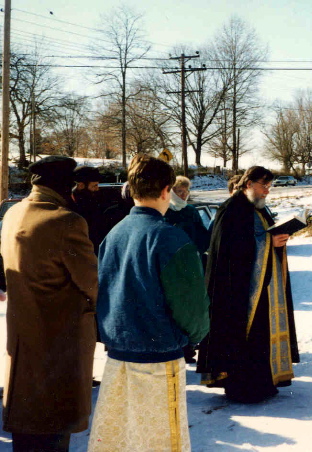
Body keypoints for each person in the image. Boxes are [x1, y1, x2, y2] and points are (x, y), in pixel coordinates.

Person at [88, 154, 209, 451]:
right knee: (160, 439)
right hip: (158, 358)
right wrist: (195, 335)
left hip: (117, 356)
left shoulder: (114, 234)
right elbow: (192, 309)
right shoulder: (170, 238)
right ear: (167, 190)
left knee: (121, 437)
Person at [1, 156, 97, 451]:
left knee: (27, 432)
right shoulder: (66, 221)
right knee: (54, 432)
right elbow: (91, 283)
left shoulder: (13, 214)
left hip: (23, 338)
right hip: (59, 344)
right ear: (65, 185)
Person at [196, 166, 299, 403]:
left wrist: (278, 240)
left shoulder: (256, 210)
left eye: (269, 187)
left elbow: (261, 237)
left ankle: (262, 383)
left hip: (259, 289)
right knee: (241, 339)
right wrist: (267, 242)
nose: (267, 192)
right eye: (264, 186)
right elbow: (231, 249)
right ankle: (241, 387)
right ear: (248, 184)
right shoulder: (231, 209)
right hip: (236, 292)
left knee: (259, 338)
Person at [164, 175, 212, 363]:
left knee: (190, 304)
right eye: (179, 191)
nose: (183, 195)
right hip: (172, 266)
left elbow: (202, 236)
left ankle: (189, 347)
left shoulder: (190, 211)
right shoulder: (165, 211)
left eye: (186, 191)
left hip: (192, 263)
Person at [72, 165, 102, 254]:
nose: (97, 189)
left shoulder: (92, 202)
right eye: (94, 186)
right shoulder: (70, 206)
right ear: (81, 185)